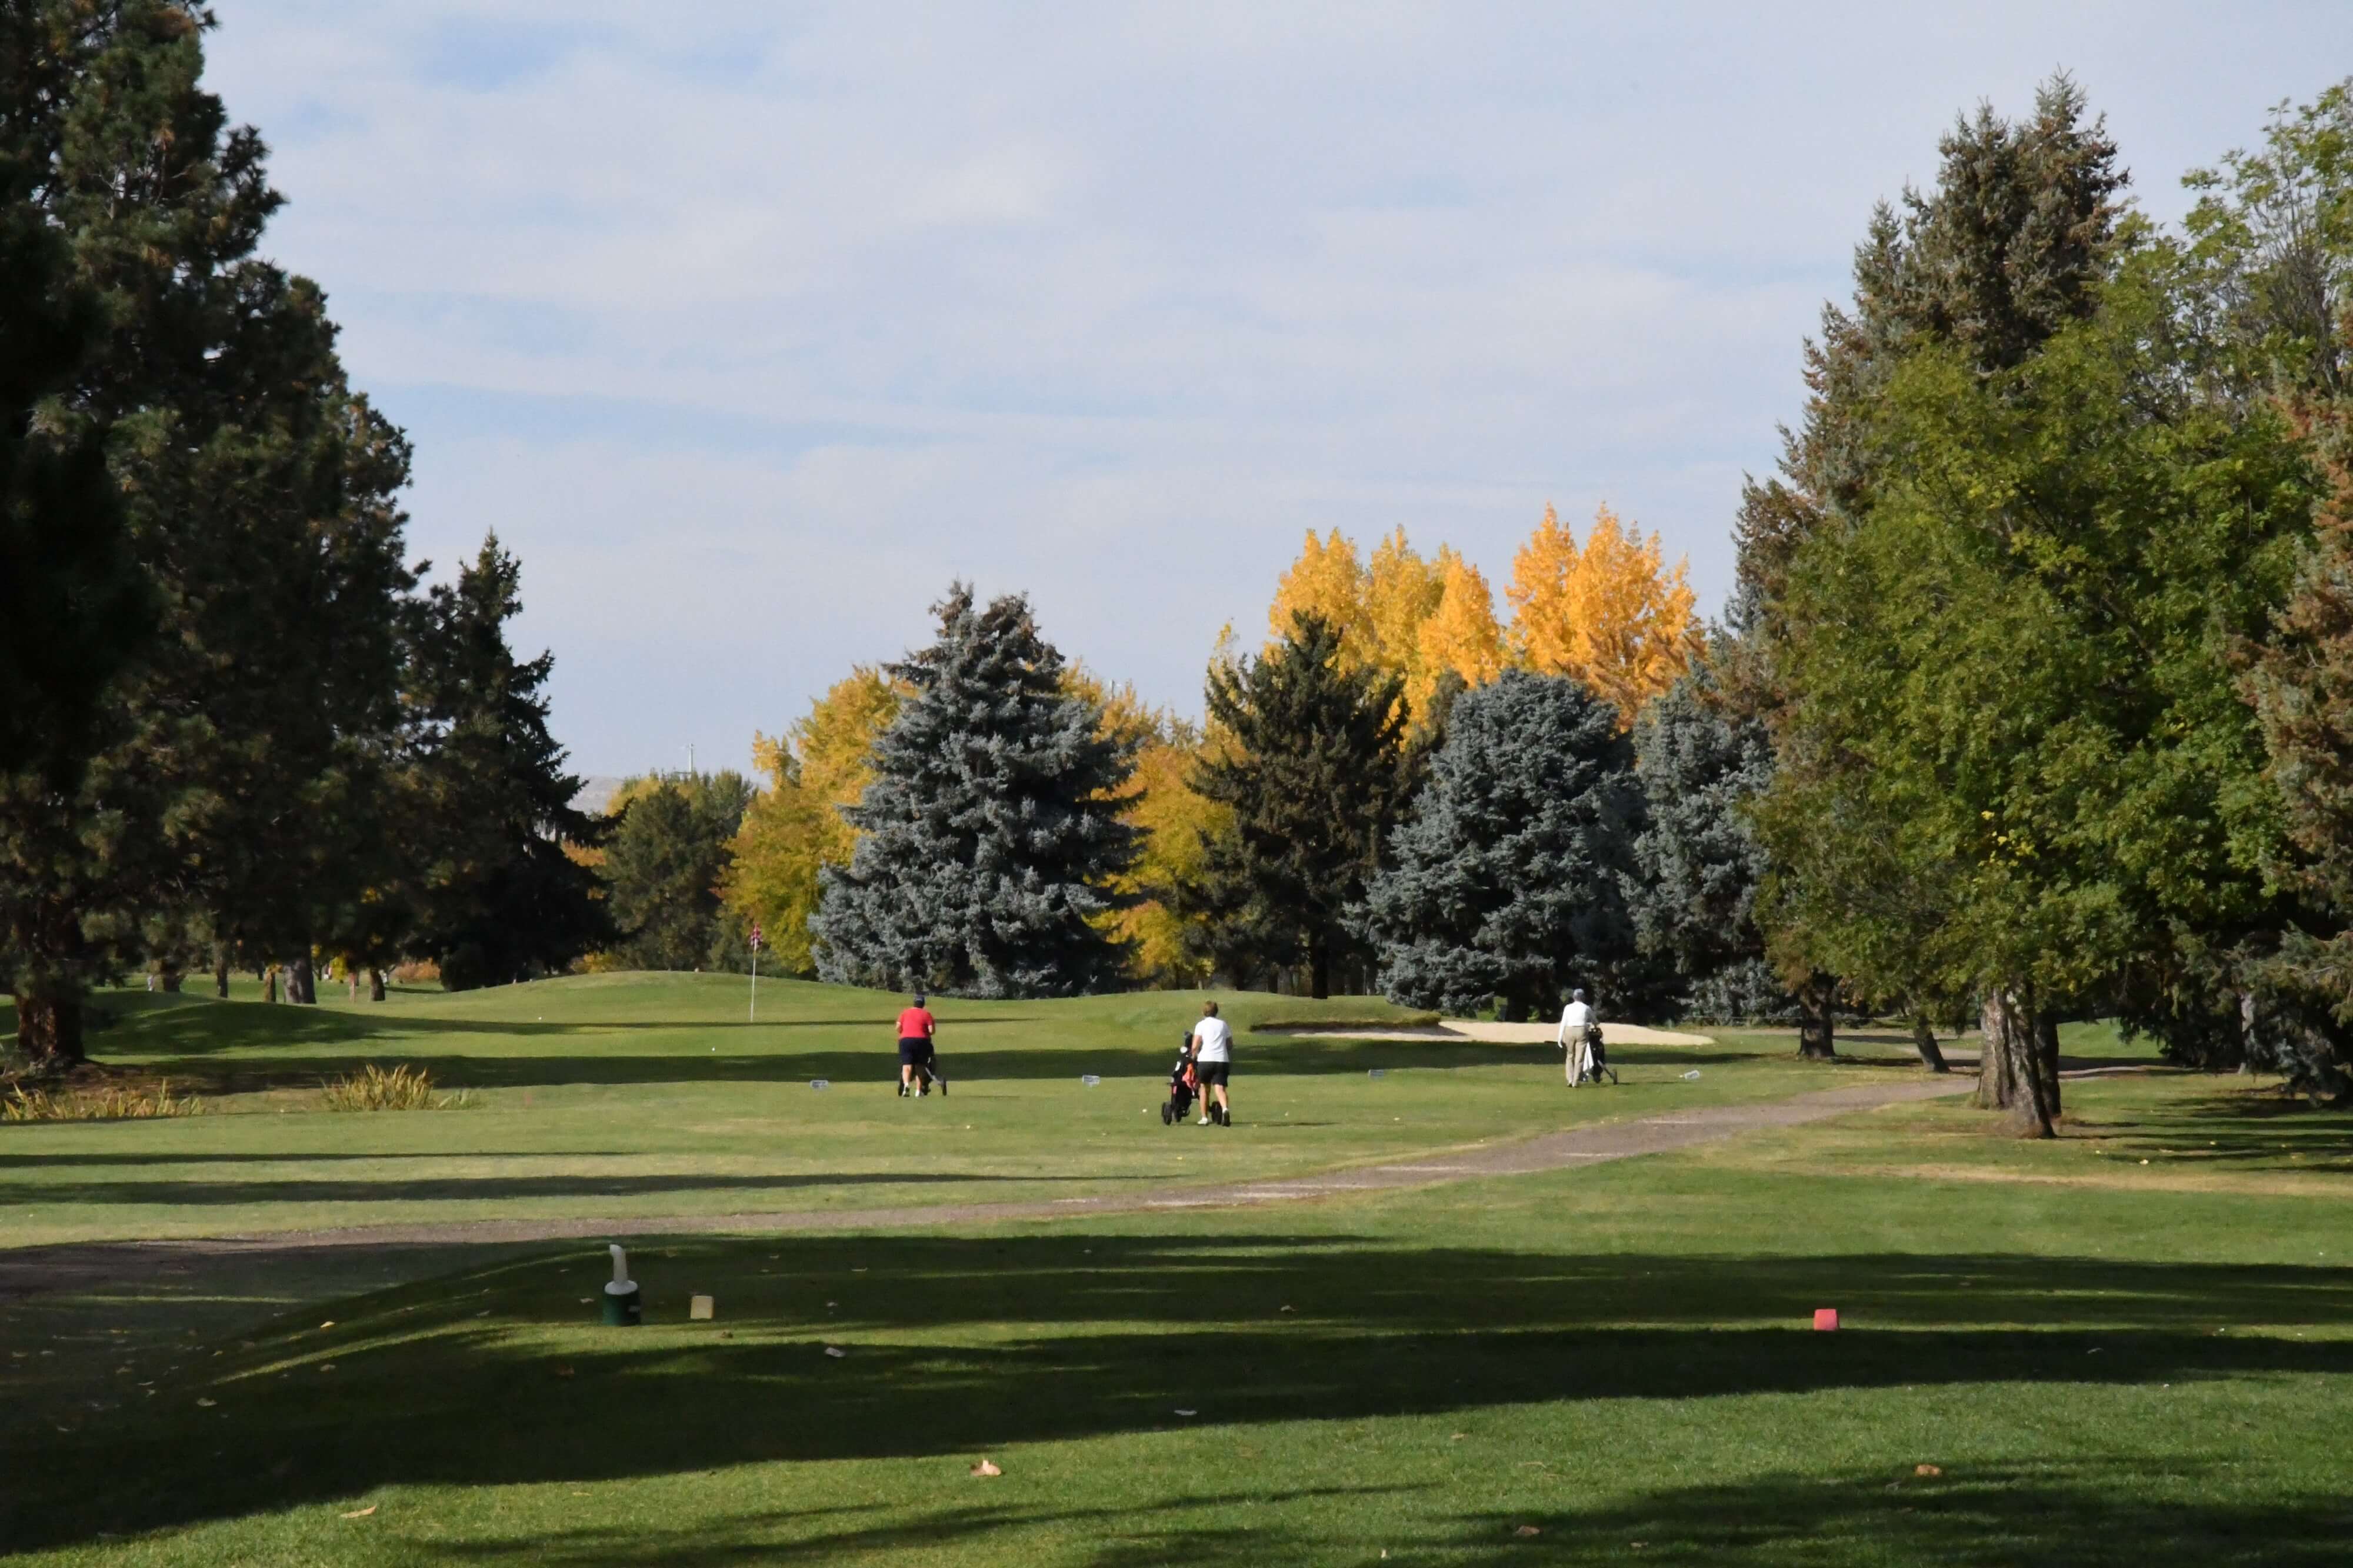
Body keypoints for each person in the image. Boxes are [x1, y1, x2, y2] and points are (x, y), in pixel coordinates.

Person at [1189, 999, 1233, 1126]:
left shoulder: (1201, 1025)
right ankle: (1225, 1109)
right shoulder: (1223, 1024)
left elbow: (1195, 1045)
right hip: (1221, 1060)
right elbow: (1230, 1044)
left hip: (1206, 1060)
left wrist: (1193, 1055)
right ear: (1216, 1012)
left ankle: (1204, 1118)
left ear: (1204, 1012)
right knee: (1220, 1088)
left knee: (1204, 1088)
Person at [896, 992, 938, 1097]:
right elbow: (931, 1031)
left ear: (914, 1003)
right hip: (922, 1041)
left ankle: (906, 1085)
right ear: (923, 1004)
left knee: (907, 1065)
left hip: (905, 1041)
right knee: (920, 1066)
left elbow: (898, 1027)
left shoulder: (905, 1013)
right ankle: (918, 1091)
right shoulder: (927, 1014)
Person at [1558, 987, 1598, 1087]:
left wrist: (1559, 1037)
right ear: (1583, 997)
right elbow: (1595, 1020)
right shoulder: (1586, 1008)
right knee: (1579, 1057)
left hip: (1569, 1030)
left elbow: (1563, 1022)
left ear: (1574, 997)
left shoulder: (1568, 1007)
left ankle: (1570, 1079)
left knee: (1570, 1055)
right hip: (1582, 1031)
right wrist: (1596, 1024)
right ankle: (1576, 1081)